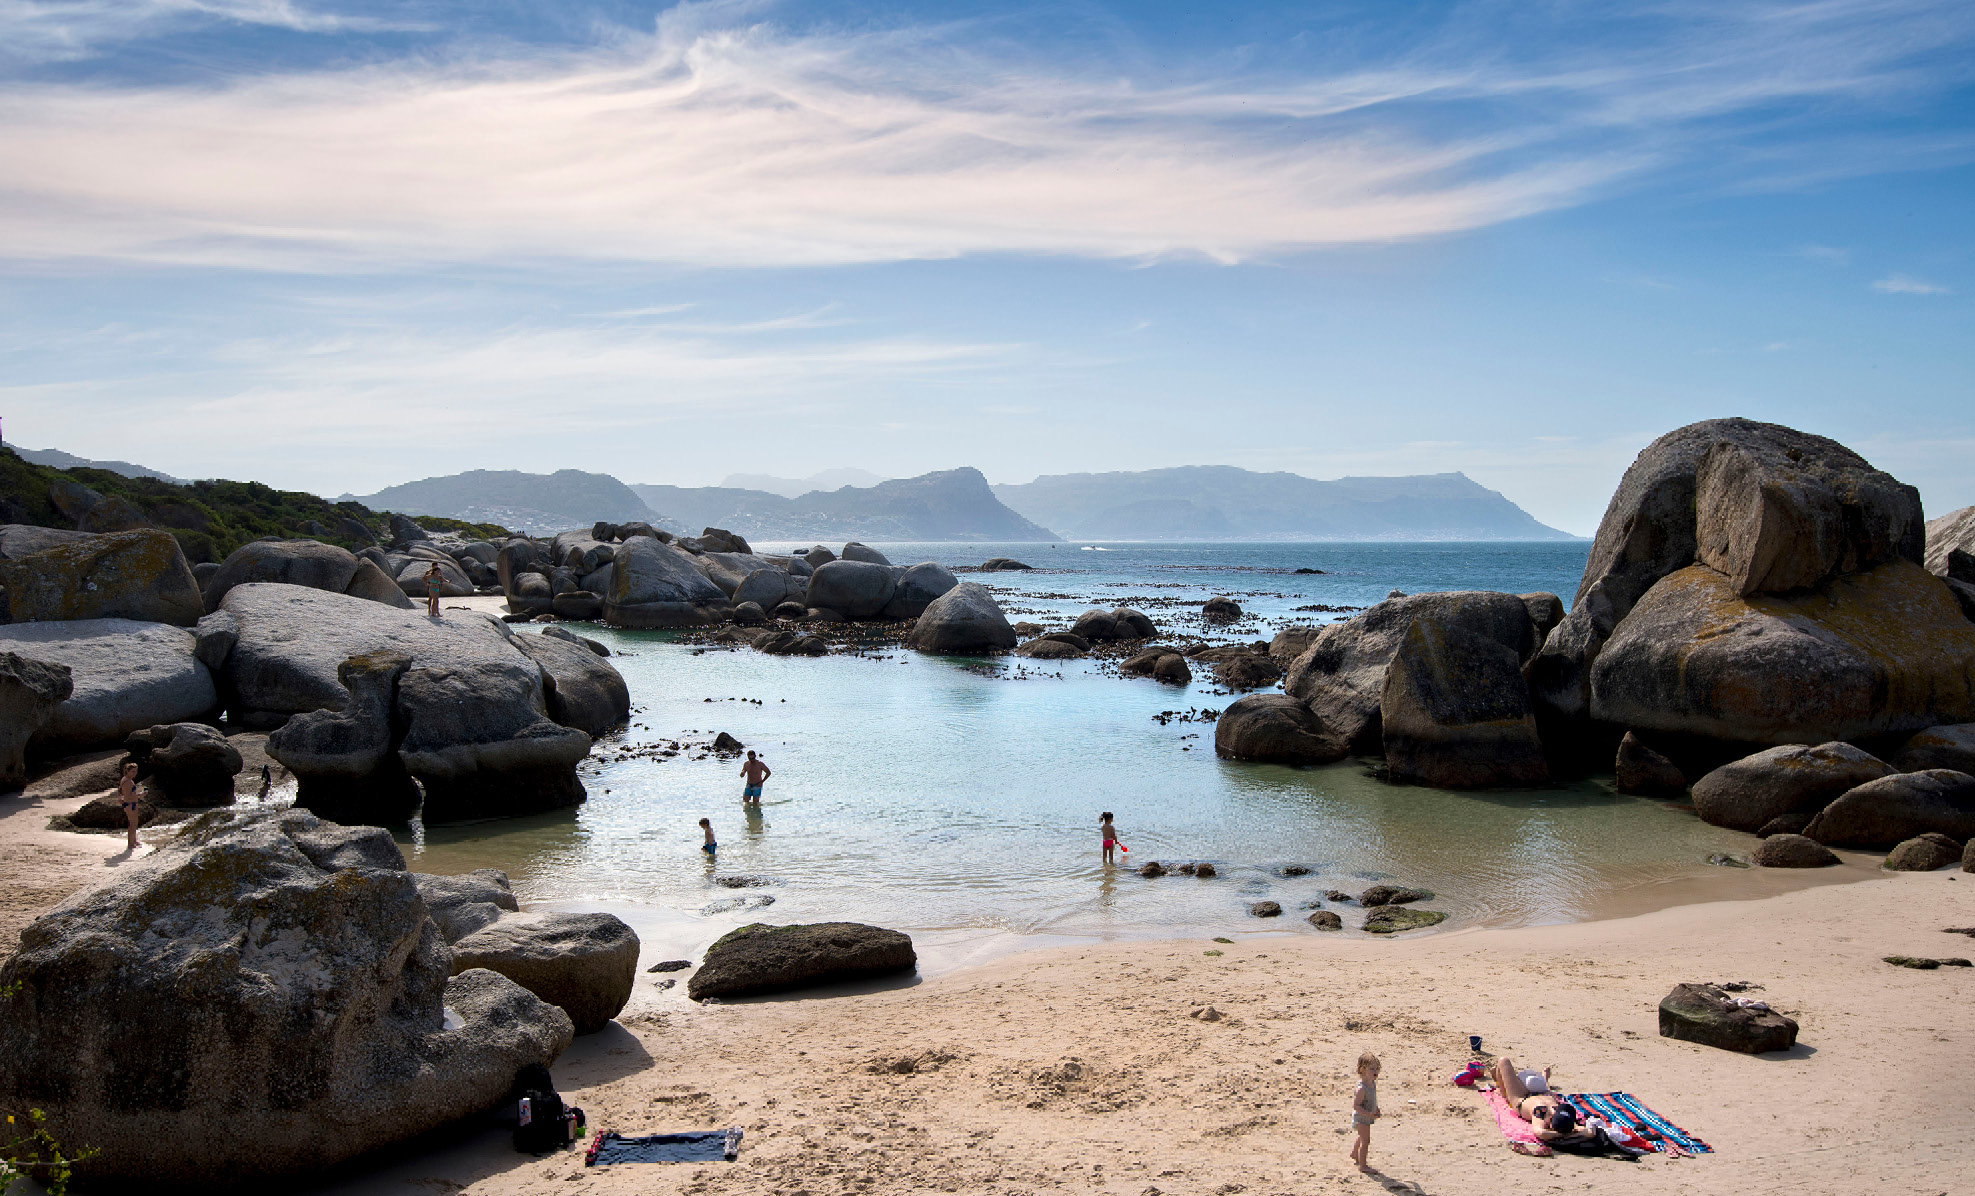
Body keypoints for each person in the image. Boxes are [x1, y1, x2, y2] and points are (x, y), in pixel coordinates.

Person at [1490, 1056, 1578, 1141]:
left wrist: (1562, 1135)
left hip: (1521, 1097)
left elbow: (1540, 1133)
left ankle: (1502, 1091)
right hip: (1542, 1093)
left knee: (1503, 1061)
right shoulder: (1561, 1111)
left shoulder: (1540, 1114)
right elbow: (1588, 1132)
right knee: (1545, 1090)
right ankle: (1544, 1077)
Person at [1349, 1051, 1380, 1170]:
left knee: (1361, 1136)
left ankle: (1354, 1153)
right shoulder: (1362, 1088)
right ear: (1362, 1070)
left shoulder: (1372, 1083)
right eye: (1372, 1069)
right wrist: (1368, 1114)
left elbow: (1372, 1099)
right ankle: (1363, 1165)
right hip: (1362, 1117)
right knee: (1365, 1141)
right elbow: (1356, 1106)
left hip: (1368, 1115)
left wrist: (1376, 1109)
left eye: (1377, 1068)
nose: (1375, 1071)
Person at [118, 762, 142, 851]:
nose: (134, 773)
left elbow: (120, 790)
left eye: (135, 771)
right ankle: (130, 843)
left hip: (129, 803)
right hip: (130, 804)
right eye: (132, 771)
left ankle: (134, 840)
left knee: (134, 823)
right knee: (132, 824)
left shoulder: (125, 779)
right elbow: (128, 795)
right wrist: (140, 795)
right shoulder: (128, 781)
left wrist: (120, 797)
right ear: (127, 771)